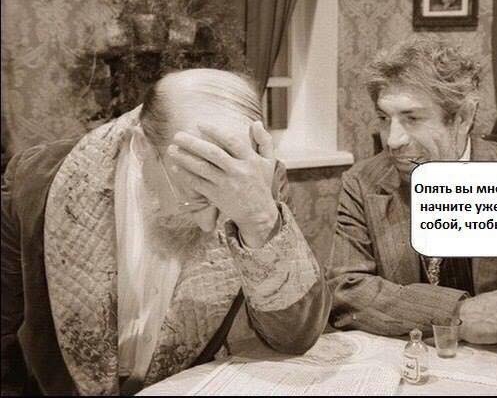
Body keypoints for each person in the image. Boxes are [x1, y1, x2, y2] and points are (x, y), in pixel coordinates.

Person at [1, 68, 330, 396]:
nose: (209, 225)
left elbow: (295, 337)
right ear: (142, 146)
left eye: (223, 203)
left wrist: (259, 218)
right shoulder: (36, 181)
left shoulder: (256, 183)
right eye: (196, 196)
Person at [327, 38, 497, 371]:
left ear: (463, 117)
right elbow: (346, 290)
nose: (393, 140)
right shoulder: (362, 182)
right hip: (411, 367)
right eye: (384, 119)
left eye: (412, 118)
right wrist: (455, 312)